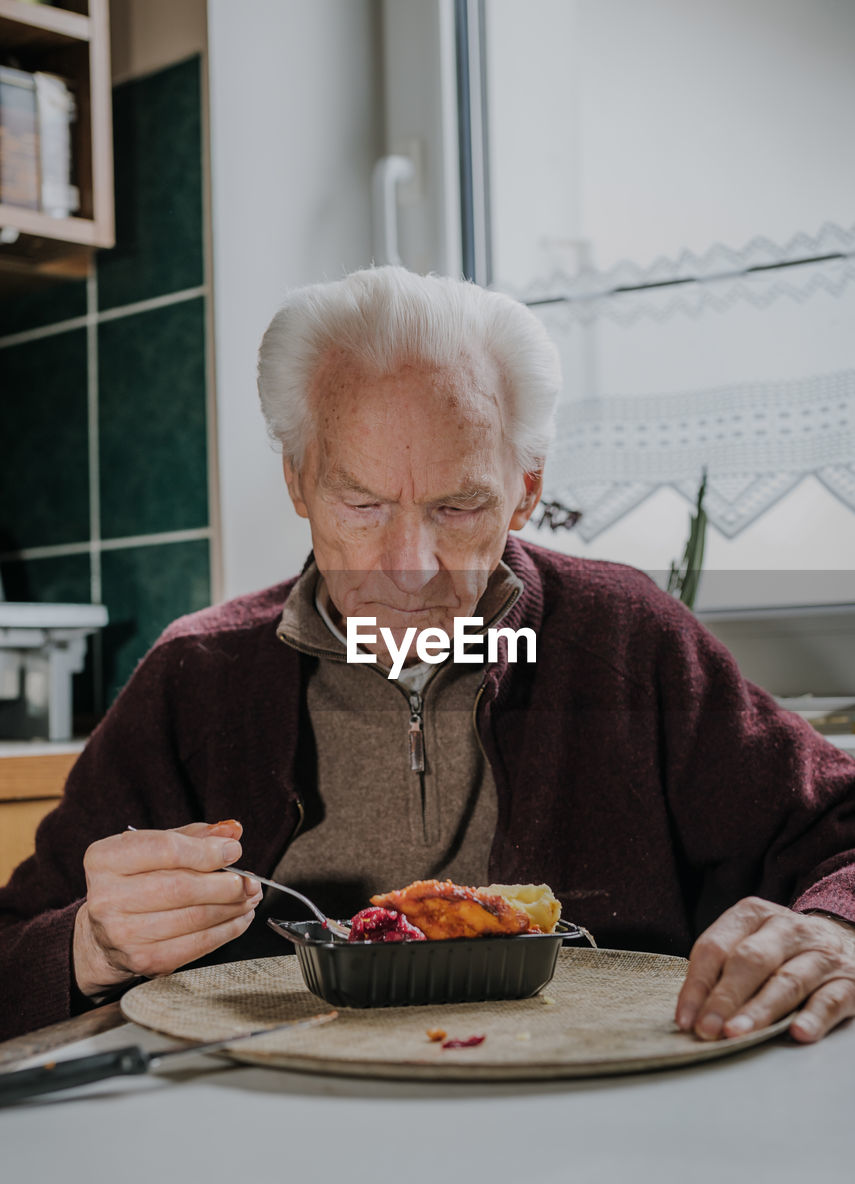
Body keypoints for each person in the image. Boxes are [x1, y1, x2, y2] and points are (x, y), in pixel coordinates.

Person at [1, 266, 854, 1046]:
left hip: (589, 1133)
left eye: (457, 507)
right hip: (273, 1143)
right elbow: (11, 954)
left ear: (525, 490)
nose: (407, 568)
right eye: (362, 502)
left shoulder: (628, 639)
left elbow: (839, 838)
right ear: (298, 480)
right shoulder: (195, 678)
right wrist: (88, 945)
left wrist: (833, 927)